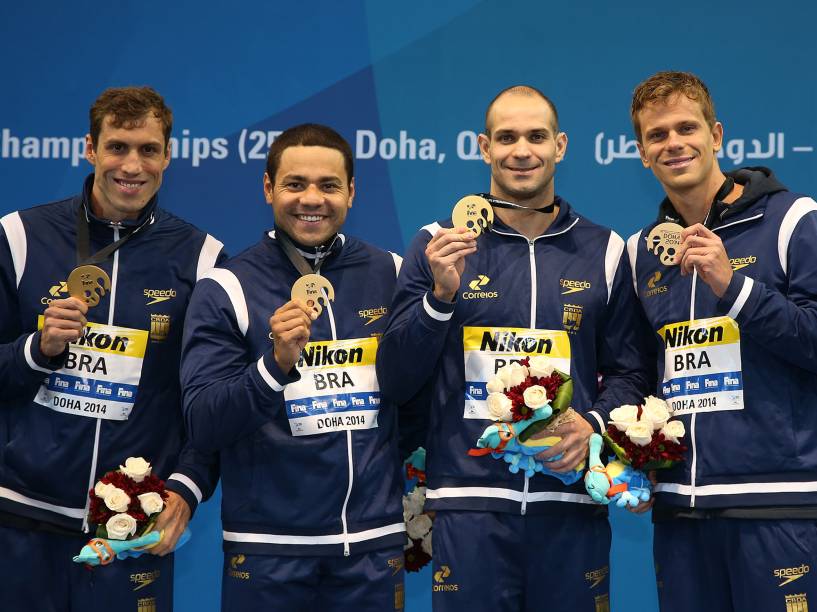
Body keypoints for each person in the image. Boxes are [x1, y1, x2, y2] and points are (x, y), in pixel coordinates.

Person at [376, 85, 648, 611]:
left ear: (560, 146)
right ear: (483, 147)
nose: (521, 150)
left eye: (536, 136)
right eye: (506, 137)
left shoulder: (605, 250)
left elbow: (631, 374)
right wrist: (440, 298)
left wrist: (591, 425)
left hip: (570, 502)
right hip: (468, 506)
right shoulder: (435, 244)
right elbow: (396, 378)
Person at [0, 86, 224, 610]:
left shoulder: (203, 258)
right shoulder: (19, 237)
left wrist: (186, 489)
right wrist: (37, 348)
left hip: (131, 530)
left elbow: (209, 404)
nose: (132, 165)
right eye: (118, 146)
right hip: (20, 521)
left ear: (168, 156)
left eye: (148, 149)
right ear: (89, 149)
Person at [181, 124, 406, 611]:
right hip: (268, 552)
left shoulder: (390, 272)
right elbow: (204, 421)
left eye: (328, 186)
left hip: (371, 546)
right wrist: (275, 364)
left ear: (351, 192)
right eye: (295, 184)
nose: (312, 199)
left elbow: (418, 395)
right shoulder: (227, 286)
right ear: (268, 189)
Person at [627, 70, 817, 611]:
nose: (674, 144)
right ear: (642, 153)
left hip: (776, 506)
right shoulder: (643, 251)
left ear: (717, 135)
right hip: (681, 512)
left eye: (687, 128)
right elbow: (640, 373)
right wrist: (629, 457)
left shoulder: (793, 220)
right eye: (657, 135)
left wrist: (734, 287)